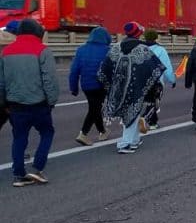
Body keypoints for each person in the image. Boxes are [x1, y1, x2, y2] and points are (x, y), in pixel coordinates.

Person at [0, 19, 59, 186]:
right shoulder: (43, 51)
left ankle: (19, 175)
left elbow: (1, 82)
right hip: (38, 103)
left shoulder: (6, 52)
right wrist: (52, 101)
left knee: (19, 137)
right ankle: (37, 168)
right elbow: (50, 80)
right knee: (47, 132)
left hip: (15, 104)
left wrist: (4, 104)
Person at [98, 22, 166, 154]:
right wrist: (152, 85)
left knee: (131, 114)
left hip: (118, 87)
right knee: (132, 111)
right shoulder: (143, 49)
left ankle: (134, 140)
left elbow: (104, 69)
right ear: (138, 33)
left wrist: (110, 84)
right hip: (136, 87)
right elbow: (156, 68)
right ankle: (125, 144)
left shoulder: (116, 47)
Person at [69, 27, 112, 145]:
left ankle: (102, 131)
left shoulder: (81, 50)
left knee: (95, 107)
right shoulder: (108, 50)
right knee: (95, 109)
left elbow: (74, 71)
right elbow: (113, 70)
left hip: (86, 86)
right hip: (101, 85)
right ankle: (83, 133)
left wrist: (73, 88)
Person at [142, 30, 176, 129]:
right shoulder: (160, 50)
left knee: (148, 102)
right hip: (156, 81)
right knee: (154, 103)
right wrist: (172, 80)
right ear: (156, 38)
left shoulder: (140, 49)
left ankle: (153, 124)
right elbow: (166, 67)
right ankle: (144, 119)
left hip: (142, 81)